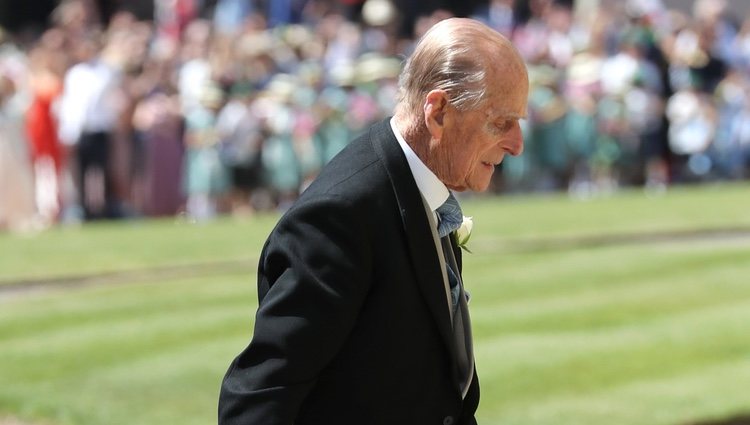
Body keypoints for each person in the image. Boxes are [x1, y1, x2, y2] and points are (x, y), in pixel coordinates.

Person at [219, 17, 528, 425]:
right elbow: (260, 396)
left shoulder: (418, 184)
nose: (517, 144)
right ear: (437, 112)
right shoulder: (340, 216)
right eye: (501, 122)